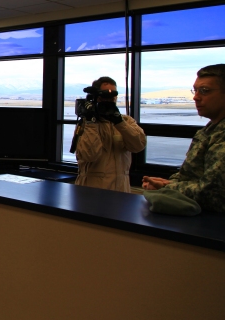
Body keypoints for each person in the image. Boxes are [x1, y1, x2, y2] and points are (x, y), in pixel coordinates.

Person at [142, 64, 225, 212]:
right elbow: (191, 175)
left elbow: (213, 193)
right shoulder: (210, 130)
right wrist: (168, 183)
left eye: (205, 91)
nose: (196, 97)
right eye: (195, 90)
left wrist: (168, 187)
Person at [74, 76, 146, 193]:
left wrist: (119, 122)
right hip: (92, 190)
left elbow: (138, 145)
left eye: (113, 96)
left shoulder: (126, 121)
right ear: (96, 98)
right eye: (105, 96)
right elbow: (89, 155)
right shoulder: (86, 124)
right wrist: (91, 121)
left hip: (121, 190)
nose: (110, 100)